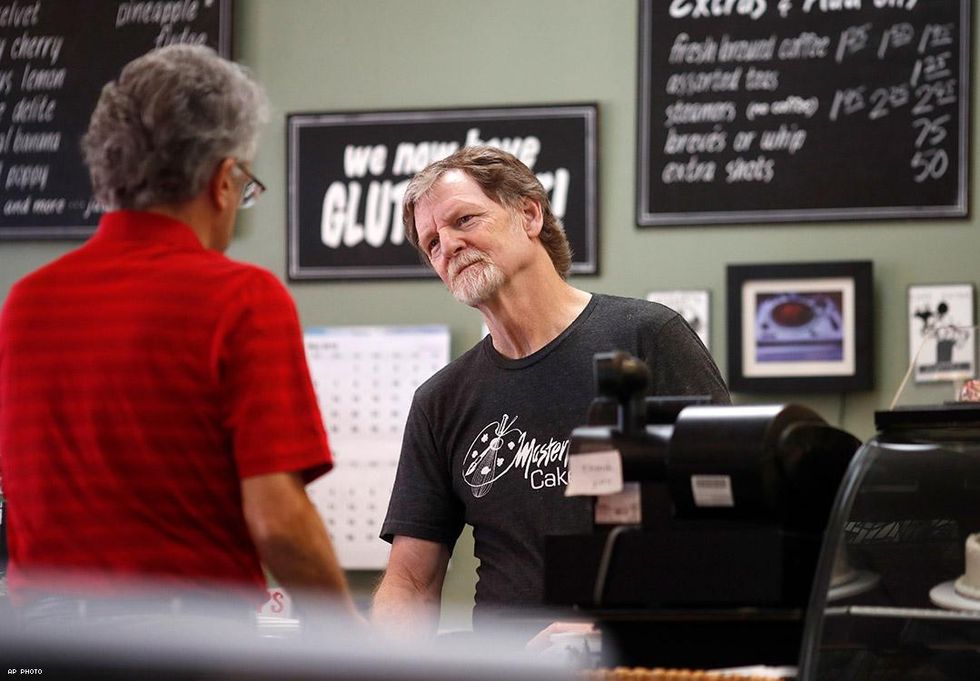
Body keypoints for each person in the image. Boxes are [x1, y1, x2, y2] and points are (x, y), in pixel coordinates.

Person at [0, 45, 354, 625]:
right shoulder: (241, 298)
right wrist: (347, 636)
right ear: (224, 180)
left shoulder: (26, 303)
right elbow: (277, 520)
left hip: (40, 639)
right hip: (184, 639)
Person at [372, 145, 730, 641]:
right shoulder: (441, 400)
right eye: (432, 242)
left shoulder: (648, 337)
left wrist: (609, 627)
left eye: (464, 220)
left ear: (529, 214)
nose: (448, 246)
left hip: (637, 660)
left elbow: (724, 523)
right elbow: (410, 581)